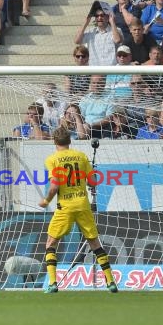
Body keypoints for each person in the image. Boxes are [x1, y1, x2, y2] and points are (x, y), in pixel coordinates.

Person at [38, 126, 118, 294]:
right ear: (70, 140)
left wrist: (46, 201)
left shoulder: (52, 159)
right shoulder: (81, 157)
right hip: (82, 204)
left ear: (54, 141)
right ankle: (111, 282)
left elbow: (55, 185)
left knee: (51, 243)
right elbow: (93, 182)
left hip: (64, 207)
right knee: (95, 243)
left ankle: (53, 283)